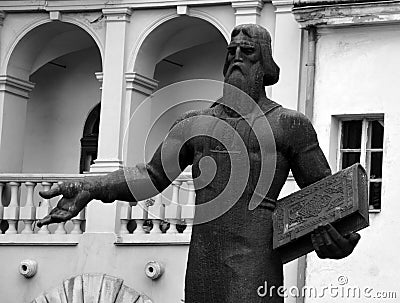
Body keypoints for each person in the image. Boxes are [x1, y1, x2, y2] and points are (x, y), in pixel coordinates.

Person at [38, 24, 360, 302]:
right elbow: (150, 175)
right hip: (204, 260)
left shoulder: (289, 124)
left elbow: (328, 199)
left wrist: (338, 243)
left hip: (256, 260)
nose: (236, 58)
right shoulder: (194, 123)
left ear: (265, 65)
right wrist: (90, 187)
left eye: (247, 51)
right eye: (231, 51)